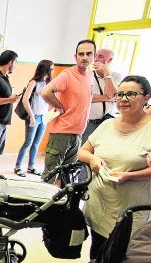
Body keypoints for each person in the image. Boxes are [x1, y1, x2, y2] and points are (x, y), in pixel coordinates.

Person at [78, 75, 151, 261]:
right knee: (97, 253)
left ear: (146, 97)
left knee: (123, 256)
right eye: (119, 94)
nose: (123, 99)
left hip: (133, 208)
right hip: (101, 202)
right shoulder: (107, 124)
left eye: (131, 94)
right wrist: (93, 160)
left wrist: (130, 176)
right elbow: (82, 152)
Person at [40, 40, 96, 185]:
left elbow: (86, 97)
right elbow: (45, 92)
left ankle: (58, 205)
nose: (84, 57)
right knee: (50, 174)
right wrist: (59, 106)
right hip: (61, 132)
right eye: (81, 54)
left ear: (94, 56)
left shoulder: (89, 76)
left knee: (66, 175)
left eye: (88, 54)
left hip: (77, 133)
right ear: (75, 56)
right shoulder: (68, 74)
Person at [13, 60, 53, 177]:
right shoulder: (34, 82)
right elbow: (25, 100)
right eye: (51, 69)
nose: (52, 71)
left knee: (36, 143)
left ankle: (31, 167)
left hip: (43, 117)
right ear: (45, 69)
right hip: (34, 116)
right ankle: (18, 166)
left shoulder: (48, 83)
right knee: (28, 142)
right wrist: (31, 116)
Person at [81, 48, 121, 143]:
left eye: (100, 56)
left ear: (110, 60)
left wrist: (106, 74)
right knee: (82, 152)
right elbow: (86, 97)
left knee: (100, 152)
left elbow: (114, 95)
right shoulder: (87, 75)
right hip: (88, 122)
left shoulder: (116, 76)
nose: (96, 59)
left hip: (106, 122)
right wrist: (108, 98)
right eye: (95, 56)